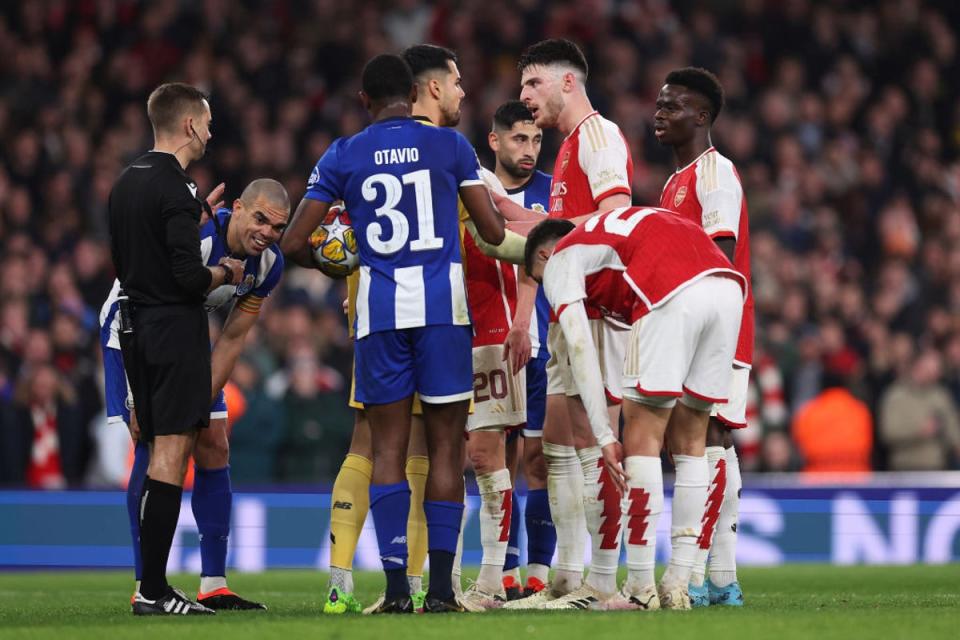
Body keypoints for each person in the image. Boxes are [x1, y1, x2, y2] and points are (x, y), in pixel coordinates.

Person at [280, 54, 505, 614]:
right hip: (442, 313)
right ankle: (446, 592)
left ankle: (397, 590)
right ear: (411, 92)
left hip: (379, 315)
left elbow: (290, 244)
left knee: (385, 450)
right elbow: (495, 230)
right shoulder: (453, 148)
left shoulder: (343, 153)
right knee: (447, 450)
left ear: (364, 102)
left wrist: (334, 261)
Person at [525, 208, 745, 610]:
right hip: (728, 286)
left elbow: (579, 347)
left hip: (668, 289)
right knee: (692, 437)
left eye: (541, 286)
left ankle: (640, 587)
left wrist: (605, 435)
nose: (550, 296)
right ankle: (679, 581)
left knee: (641, 433)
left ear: (542, 258)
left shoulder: (559, 262)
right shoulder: (617, 229)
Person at [101, 178, 289, 610]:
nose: (266, 233)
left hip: (186, 337)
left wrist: (197, 401)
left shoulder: (268, 265)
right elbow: (142, 294)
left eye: (277, 227)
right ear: (237, 208)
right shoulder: (198, 236)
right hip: (132, 332)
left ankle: (214, 584)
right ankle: (147, 584)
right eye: (260, 219)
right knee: (155, 446)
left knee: (214, 444)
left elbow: (232, 339)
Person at [496, 38, 634, 610]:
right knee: (557, 441)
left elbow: (616, 215)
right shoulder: (570, 148)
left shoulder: (598, 135)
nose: (525, 97)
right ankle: (567, 577)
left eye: (533, 84)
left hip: (600, 308)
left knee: (595, 441)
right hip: (566, 309)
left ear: (567, 83)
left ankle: (601, 580)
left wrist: (538, 222)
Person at [108, 82, 245, 616]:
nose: (211, 132)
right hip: (173, 331)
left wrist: (193, 221)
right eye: (207, 122)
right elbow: (190, 279)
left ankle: (151, 584)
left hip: (134, 328)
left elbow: (125, 259)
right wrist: (225, 271)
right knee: (170, 454)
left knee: (154, 454)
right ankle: (154, 589)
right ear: (189, 125)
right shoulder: (178, 187)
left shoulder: (125, 181)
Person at [655, 67, 753, 607]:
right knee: (707, 443)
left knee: (708, 440)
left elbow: (720, 254)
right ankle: (720, 579)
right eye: (659, 104)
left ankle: (701, 575)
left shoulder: (715, 174)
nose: (660, 113)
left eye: (673, 106)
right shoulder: (673, 183)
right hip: (690, 328)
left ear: (703, 116)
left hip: (717, 328)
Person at [483, 101, 555, 602]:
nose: (528, 150)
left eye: (535, 140)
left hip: (544, 345)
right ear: (495, 141)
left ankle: (540, 572)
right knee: (494, 460)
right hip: (488, 342)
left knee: (539, 460)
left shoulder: (553, 191)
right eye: (518, 140)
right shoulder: (476, 192)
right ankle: (502, 571)